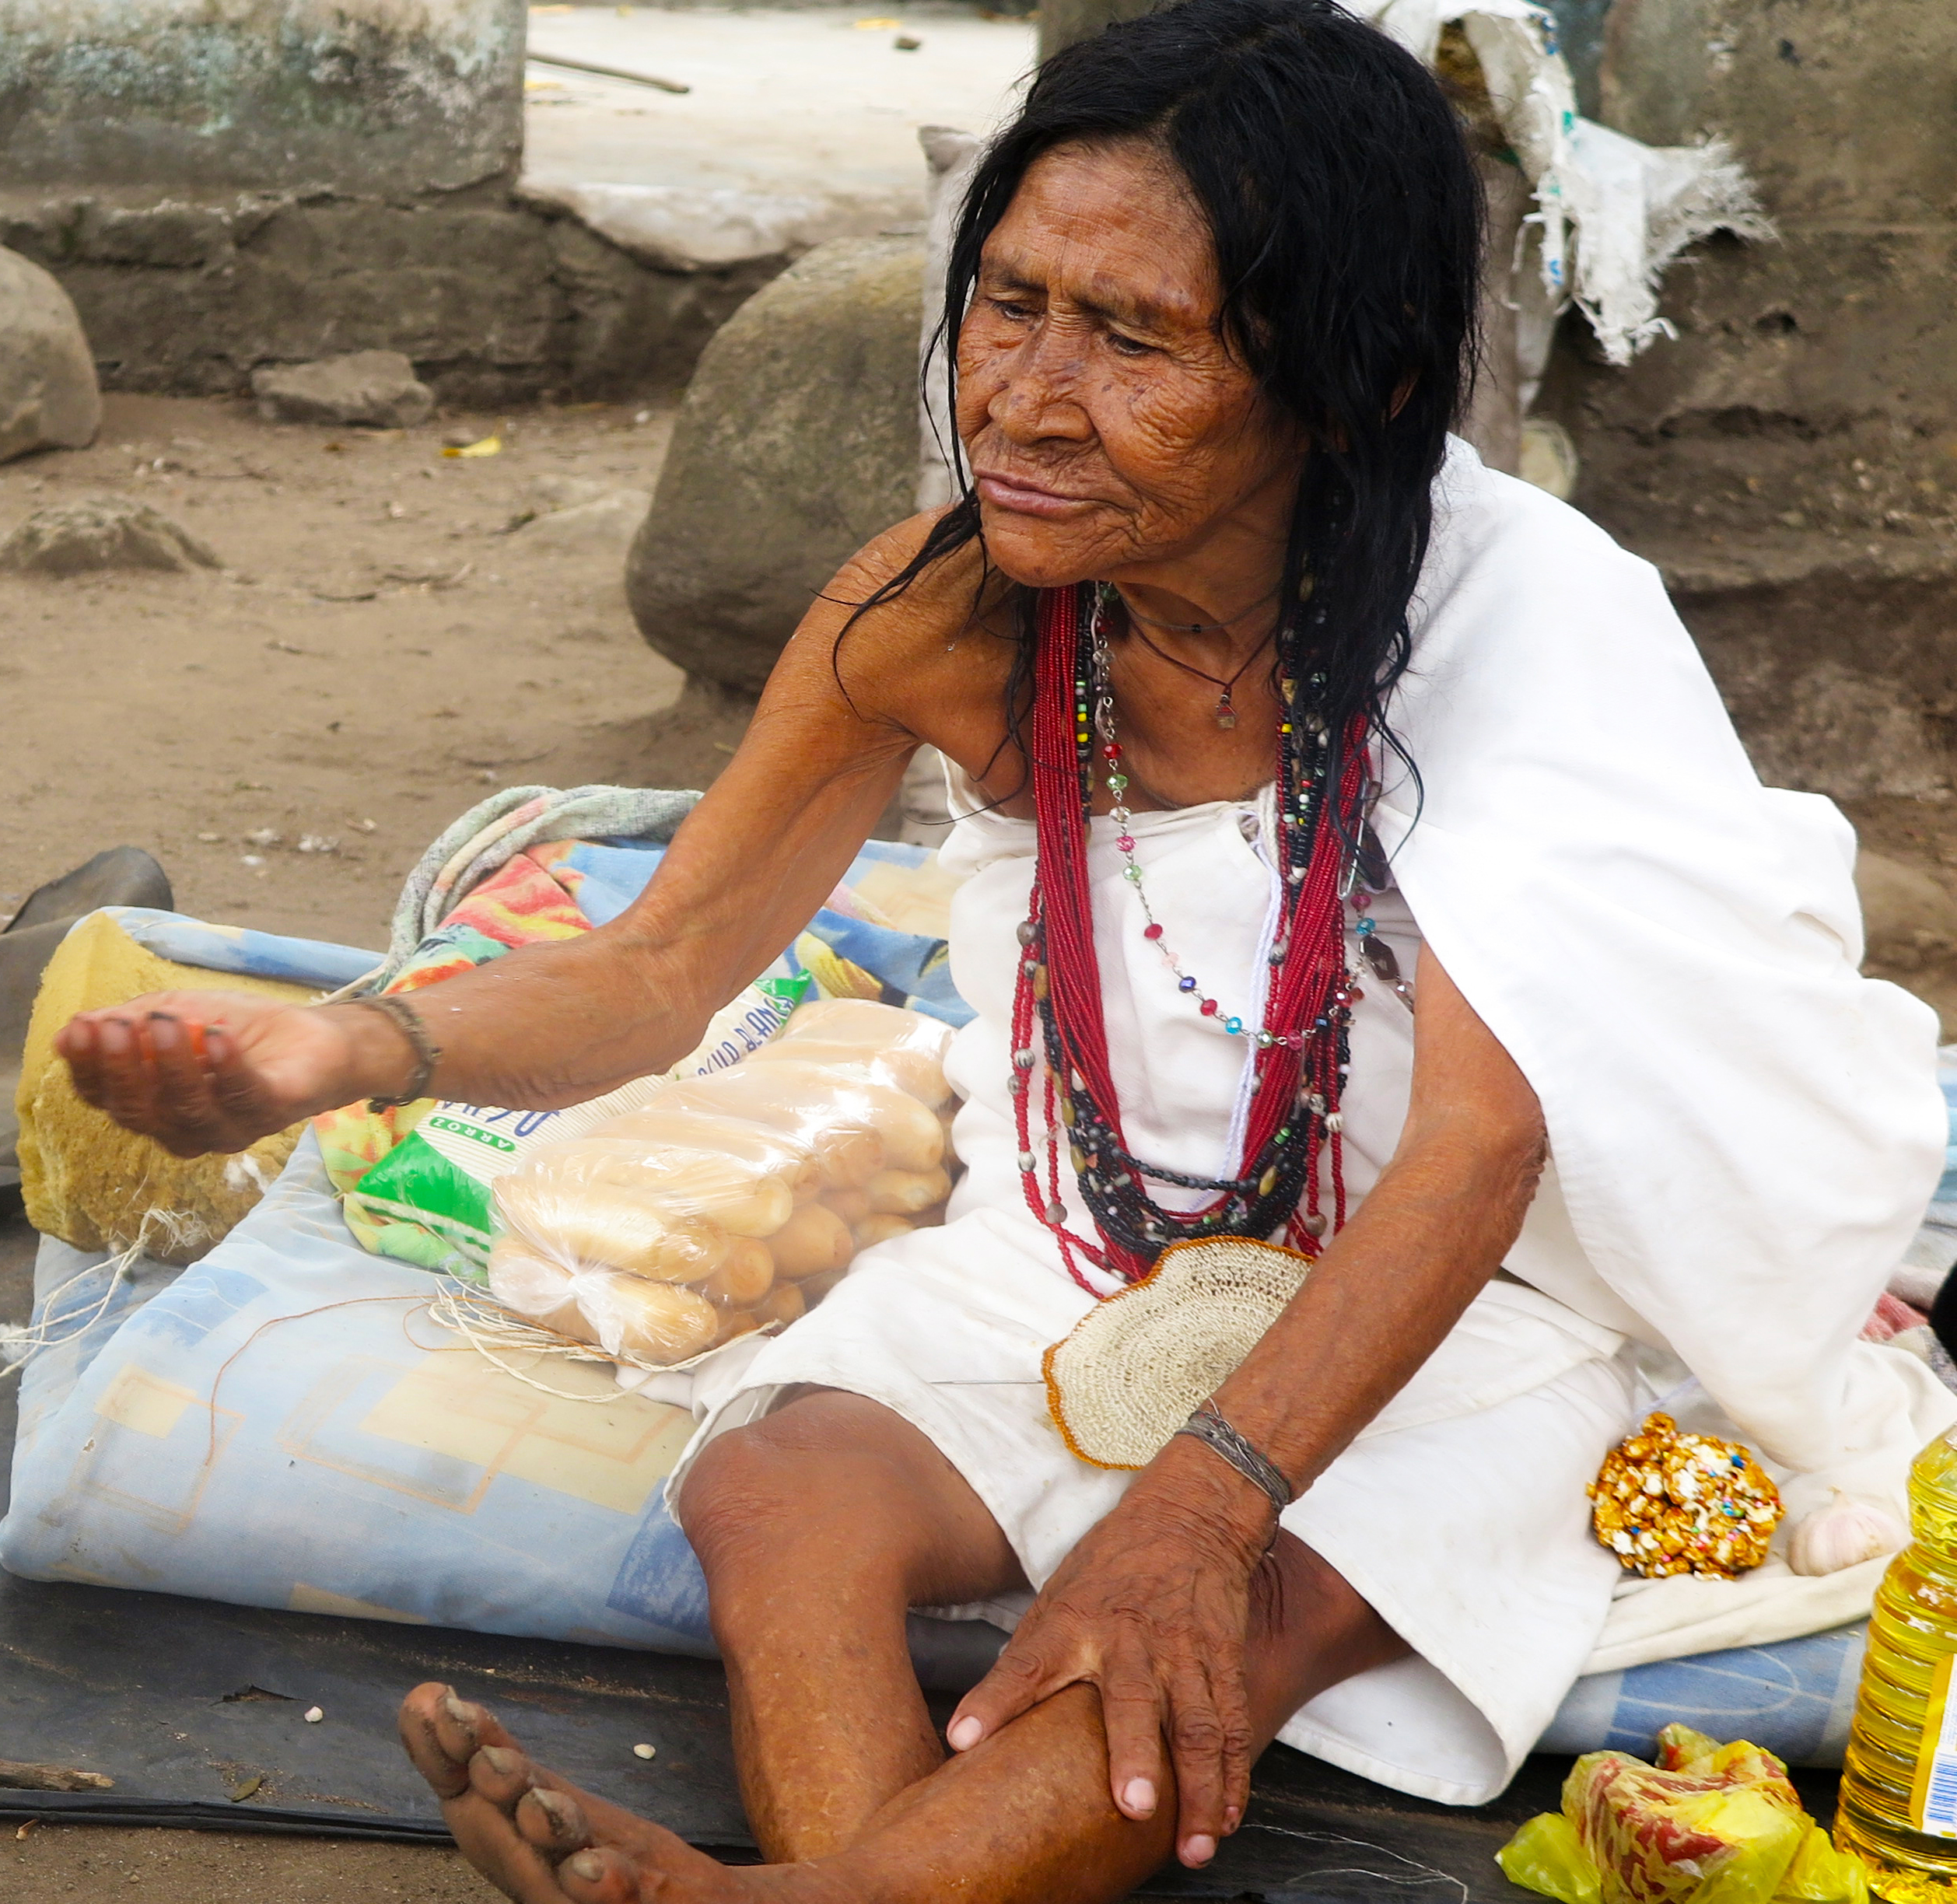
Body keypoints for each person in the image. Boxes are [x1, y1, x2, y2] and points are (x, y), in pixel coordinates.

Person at [54, 2, 1952, 1900]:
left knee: (1248, 1603)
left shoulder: (1527, 626)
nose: (1028, 399)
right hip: (1094, 1237)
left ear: (1354, 383)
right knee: (776, 1488)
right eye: (1009, 303)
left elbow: (1477, 1152)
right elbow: (657, 972)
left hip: (1510, 1293)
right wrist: (337, 1052)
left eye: (1135, 339)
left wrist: (1202, 1504)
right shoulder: (938, 613)